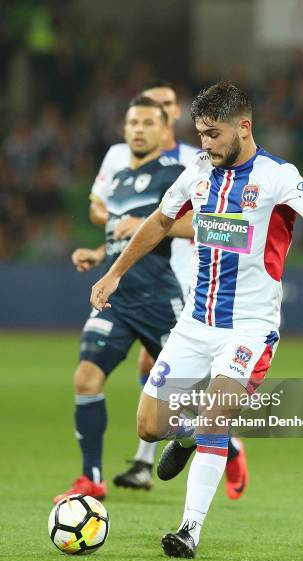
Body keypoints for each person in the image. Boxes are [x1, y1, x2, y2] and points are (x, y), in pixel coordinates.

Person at [90, 82, 303, 558]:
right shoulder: (198, 172)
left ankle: (189, 529)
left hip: (248, 328)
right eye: (200, 134)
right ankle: (189, 433)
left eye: (213, 134)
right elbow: (161, 222)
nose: (205, 144)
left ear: (243, 127)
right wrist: (114, 274)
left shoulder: (276, 176)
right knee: (148, 427)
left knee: (215, 413)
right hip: (195, 324)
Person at [90, 80, 248, 496]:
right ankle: (148, 461)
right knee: (150, 374)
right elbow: (121, 221)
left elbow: (220, 228)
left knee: (180, 384)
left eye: (161, 106)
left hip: (189, 280)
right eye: (139, 112)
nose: (147, 117)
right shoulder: (125, 161)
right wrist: (102, 253)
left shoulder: (203, 158)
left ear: (171, 116)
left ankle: (227, 444)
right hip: (149, 276)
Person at [53, 95, 193, 503]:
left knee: (183, 403)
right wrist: (98, 254)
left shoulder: (176, 174)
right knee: (86, 378)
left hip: (158, 299)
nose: (138, 129)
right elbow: (121, 240)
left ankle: (207, 443)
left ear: (164, 130)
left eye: (148, 123)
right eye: (132, 122)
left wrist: (154, 225)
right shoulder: (117, 182)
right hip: (117, 298)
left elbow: (202, 226)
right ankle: (91, 477)